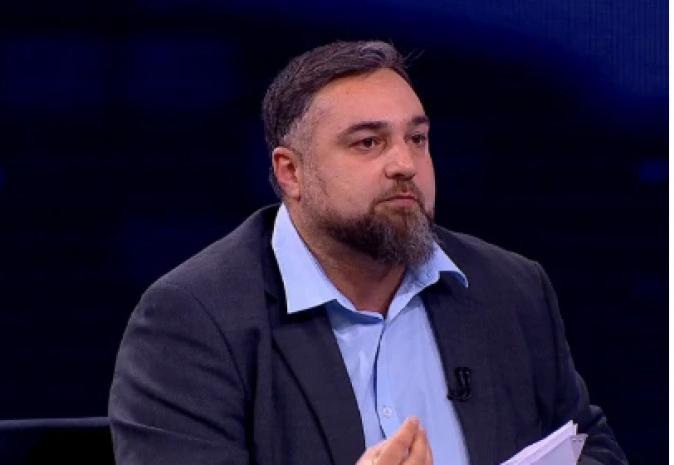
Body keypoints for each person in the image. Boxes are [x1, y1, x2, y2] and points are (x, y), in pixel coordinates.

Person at [108, 40, 627, 465]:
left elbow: (593, 449)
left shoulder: (509, 289)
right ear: (291, 172)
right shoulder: (195, 319)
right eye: (368, 143)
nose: (405, 164)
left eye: (417, 138)